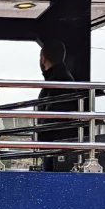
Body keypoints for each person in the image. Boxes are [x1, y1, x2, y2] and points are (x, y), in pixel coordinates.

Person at [37, 41, 76, 171]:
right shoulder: (63, 77)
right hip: (59, 144)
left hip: (55, 145)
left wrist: (39, 135)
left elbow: (52, 116)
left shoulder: (58, 80)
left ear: (43, 59)